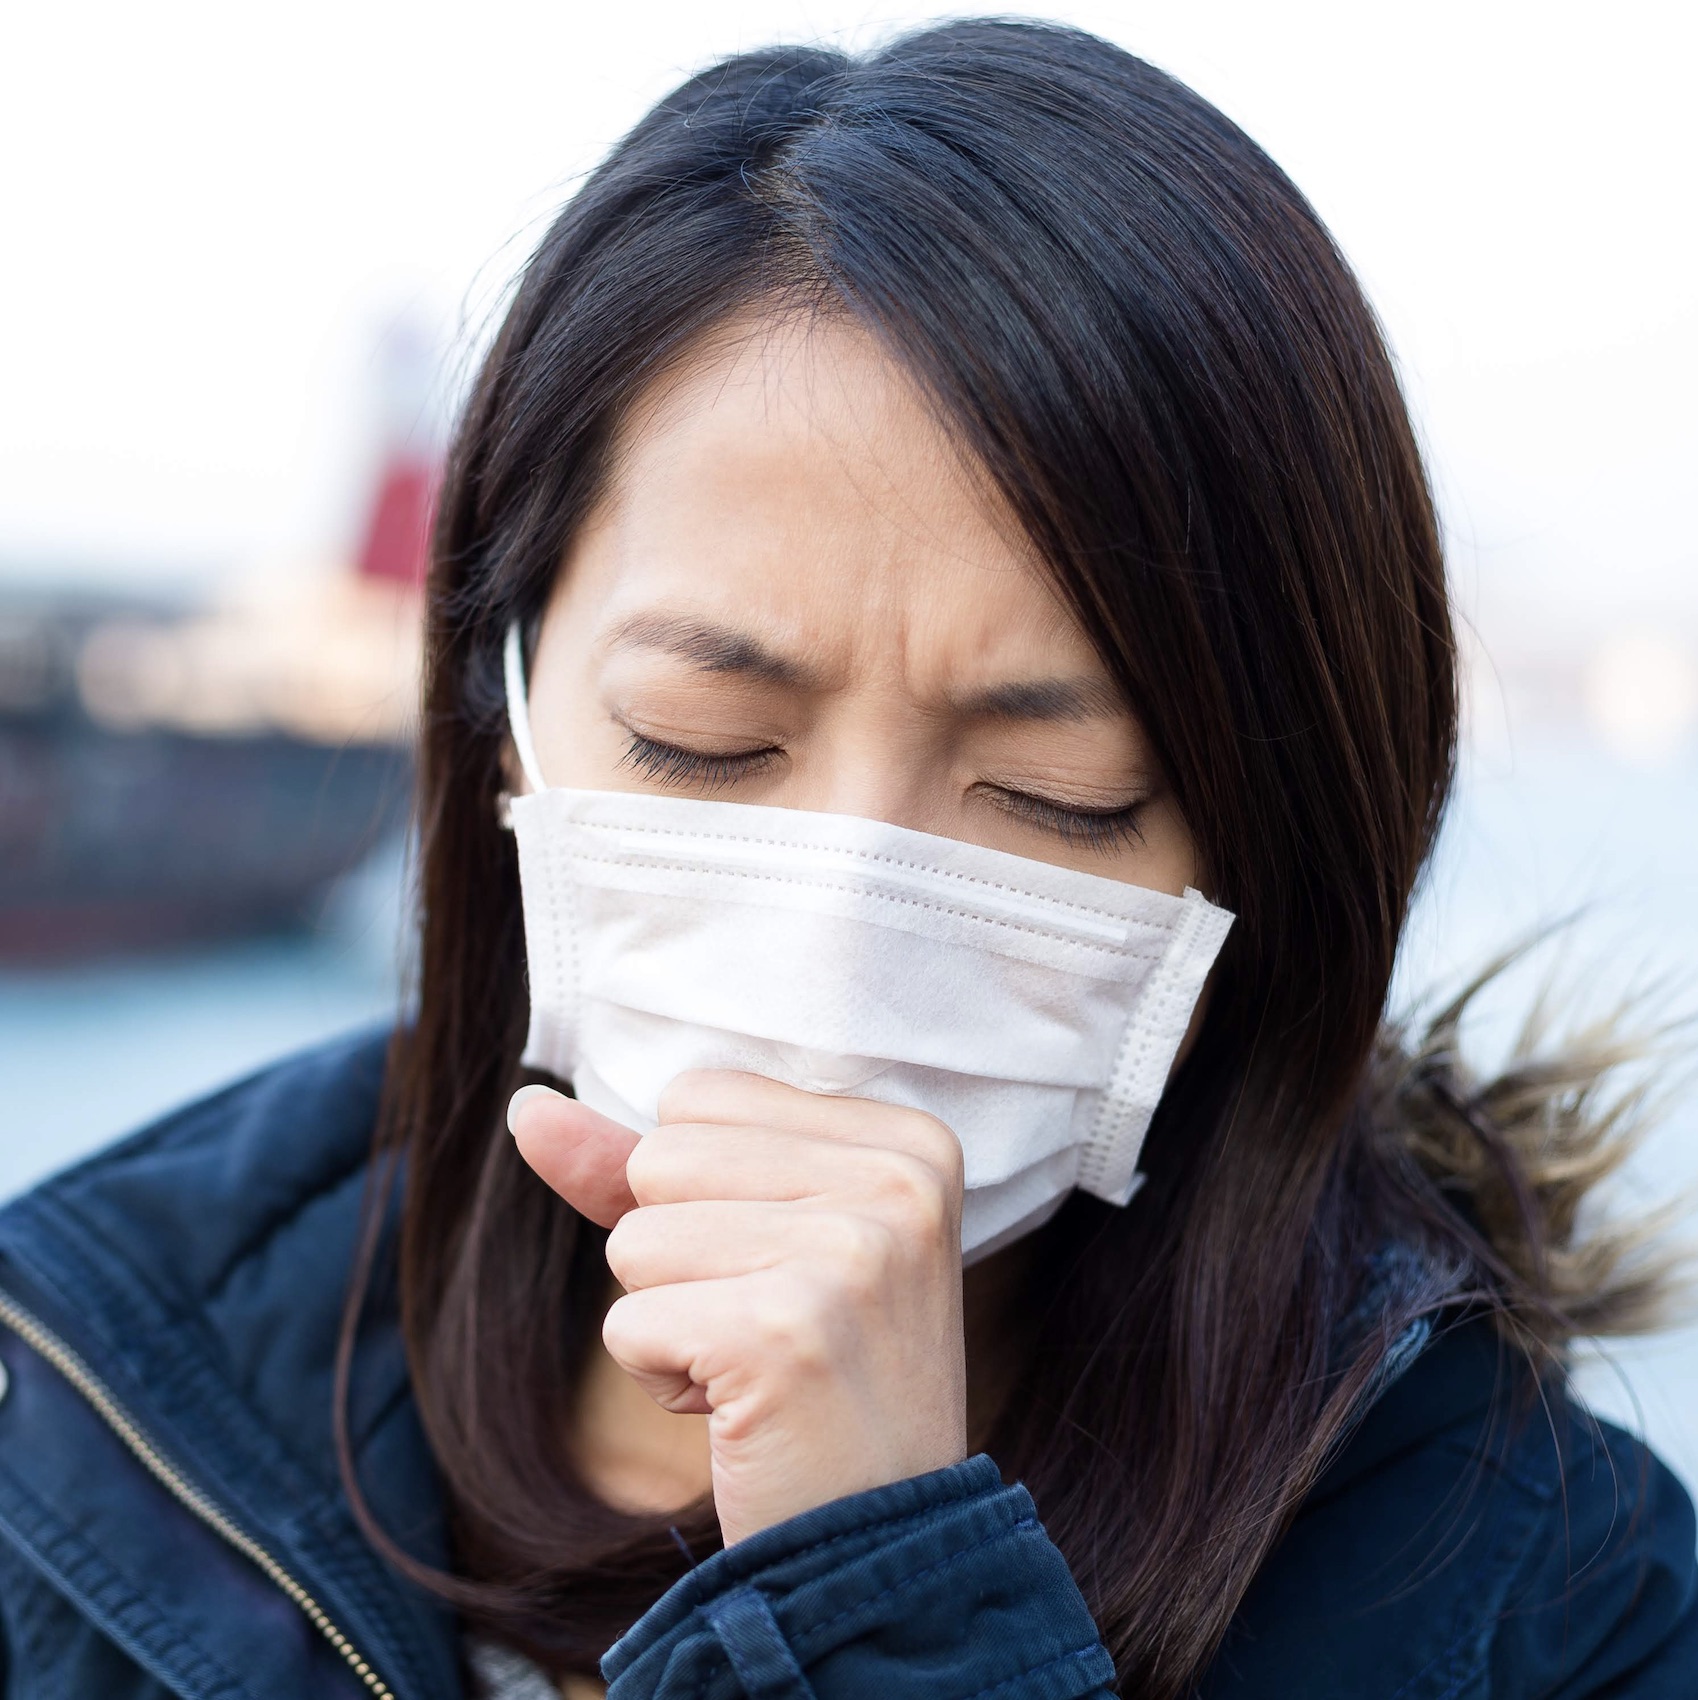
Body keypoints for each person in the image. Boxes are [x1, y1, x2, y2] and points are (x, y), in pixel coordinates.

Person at [0, 19, 1692, 1700]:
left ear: (1280, 847)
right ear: (503, 713)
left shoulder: (1555, 1608)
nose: (839, 935)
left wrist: (880, 1595)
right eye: (700, 739)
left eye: (1059, 792)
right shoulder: (74, 1404)